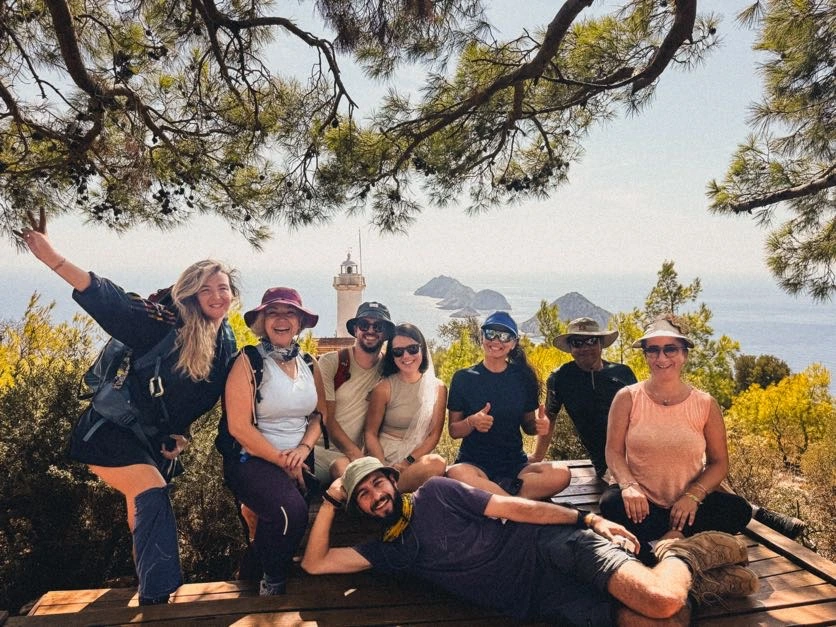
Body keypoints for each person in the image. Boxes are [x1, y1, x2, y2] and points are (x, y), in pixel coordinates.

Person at [17, 209, 238, 605]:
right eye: (208, 289)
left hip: (150, 440)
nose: (218, 296)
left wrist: (181, 434)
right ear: (190, 293)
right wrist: (52, 258)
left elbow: (194, 399)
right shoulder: (161, 321)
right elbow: (110, 300)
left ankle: (147, 590)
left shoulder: (224, 343)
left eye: (224, 288)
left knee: (144, 505)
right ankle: (159, 597)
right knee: (151, 492)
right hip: (108, 432)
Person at [302, 457, 759, 625]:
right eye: (362, 495)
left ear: (391, 481)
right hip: (537, 598)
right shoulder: (387, 551)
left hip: (551, 547)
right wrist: (328, 500)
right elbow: (315, 564)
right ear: (359, 508)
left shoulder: (437, 493)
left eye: (377, 484)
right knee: (666, 621)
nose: (374, 496)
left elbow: (517, 509)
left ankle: (683, 552)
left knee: (659, 600)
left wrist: (588, 520)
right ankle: (698, 583)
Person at [600, 315, 754, 564]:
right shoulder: (627, 398)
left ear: (684, 354)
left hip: (689, 507)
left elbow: (719, 463)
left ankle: (661, 545)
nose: (661, 358)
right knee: (611, 503)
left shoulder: (705, 404)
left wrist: (693, 496)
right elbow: (613, 452)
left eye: (670, 349)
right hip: (643, 506)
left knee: (738, 510)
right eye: (653, 350)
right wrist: (628, 486)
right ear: (646, 355)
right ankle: (684, 546)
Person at [221, 287, 326, 595]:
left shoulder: (309, 363)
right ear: (262, 321)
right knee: (289, 512)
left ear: (300, 322)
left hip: (298, 459)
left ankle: (250, 574)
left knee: (286, 518)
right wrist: (283, 461)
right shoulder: (248, 361)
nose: (282, 320)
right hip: (252, 459)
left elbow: (320, 416)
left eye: (290, 313)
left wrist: (303, 450)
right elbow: (238, 427)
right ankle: (274, 585)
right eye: (273, 313)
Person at [446, 311, 570, 499]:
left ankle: (495, 499)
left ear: (513, 343)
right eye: (491, 333)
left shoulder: (523, 378)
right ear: (482, 337)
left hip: (515, 466)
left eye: (504, 336)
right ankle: (514, 501)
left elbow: (527, 426)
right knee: (456, 473)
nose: (496, 340)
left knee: (562, 474)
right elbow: (454, 430)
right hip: (474, 465)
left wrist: (537, 426)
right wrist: (471, 422)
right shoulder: (463, 378)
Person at [535, 317, 637, 479]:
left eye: (591, 341)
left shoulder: (623, 373)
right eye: (577, 343)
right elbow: (550, 417)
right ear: (570, 347)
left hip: (641, 453)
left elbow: (641, 415)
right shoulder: (561, 378)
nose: (585, 348)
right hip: (608, 463)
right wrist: (536, 457)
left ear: (601, 343)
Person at [313, 301, 395, 484]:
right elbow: (328, 419)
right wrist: (359, 458)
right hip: (322, 453)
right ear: (355, 329)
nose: (371, 330)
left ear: (386, 333)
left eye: (378, 326)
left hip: (357, 457)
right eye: (364, 325)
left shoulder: (389, 370)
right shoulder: (332, 362)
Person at [364, 323, 447, 492]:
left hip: (416, 459)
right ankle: (387, 488)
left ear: (422, 349)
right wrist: (383, 468)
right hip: (385, 457)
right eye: (398, 351)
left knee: (437, 464)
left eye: (412, 349)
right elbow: (370, 433)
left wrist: (407, 461)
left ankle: (388, 493)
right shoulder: (384, 388)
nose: (406, 356)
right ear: (392, 356)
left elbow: (434, 435)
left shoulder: (437, 388)